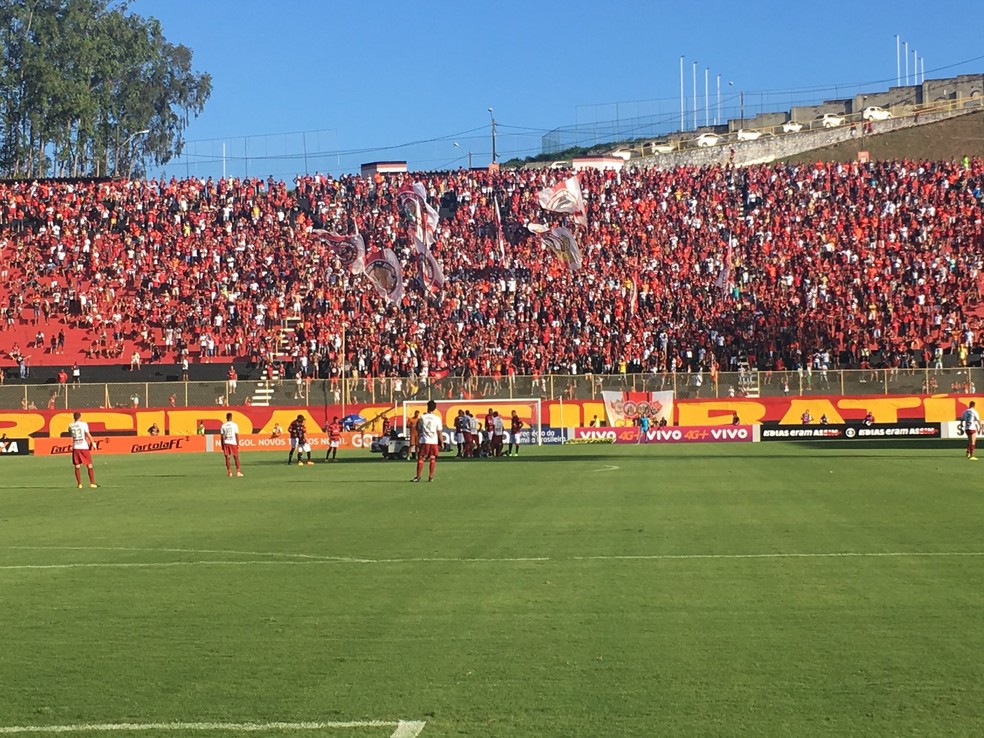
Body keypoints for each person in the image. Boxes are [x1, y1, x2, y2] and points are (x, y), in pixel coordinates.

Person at [412, 399, 442, 482]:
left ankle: (418, 477)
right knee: (432, 458)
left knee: (421, 458)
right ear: (435, 408)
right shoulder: (437, 418)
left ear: (427, 407)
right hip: (434, 441)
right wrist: (442, 442)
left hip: (425, 440)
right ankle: (431, 477)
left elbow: (419, 428)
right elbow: (439, 431)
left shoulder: (422, 417)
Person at [68, 411, 97, 488]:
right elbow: (88, 434)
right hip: (83, 446)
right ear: (80, 417)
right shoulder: (84, 424)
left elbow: (70, 432)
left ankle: (79, 484)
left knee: (77, 465)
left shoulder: (71, 425)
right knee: (89, 464)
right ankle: (92, 483)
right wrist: (93, 443)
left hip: (75, 447)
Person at [220, 412, 243, 477]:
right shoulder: (235, 425)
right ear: (231, 417)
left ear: (226, 418)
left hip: (226, 442)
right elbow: (236, 435)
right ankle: (238, 472)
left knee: (227, 457)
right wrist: (237, 443)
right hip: (233, 442)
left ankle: (229, 472)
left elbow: (222, 436)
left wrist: (222, 444)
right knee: (236, 457)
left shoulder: (223, 425)